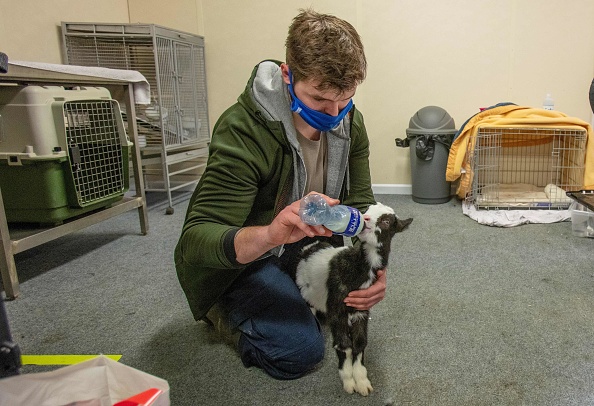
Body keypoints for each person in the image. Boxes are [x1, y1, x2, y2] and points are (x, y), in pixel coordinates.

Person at [174, 8, 386, 380]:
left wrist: (375, 266)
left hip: (303, 240)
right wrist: (272, 234)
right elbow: (196, 239)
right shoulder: (243, 130)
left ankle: (289, 289)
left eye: (345, 98)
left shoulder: (350, 121)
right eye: (319, 99)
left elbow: (362, 206)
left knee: (344, 309)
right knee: (298, 352)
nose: (334, 115)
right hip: (246, 254)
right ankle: (218, 308)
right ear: (288, 76)